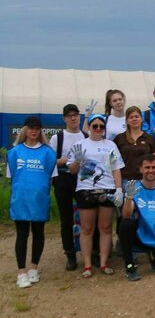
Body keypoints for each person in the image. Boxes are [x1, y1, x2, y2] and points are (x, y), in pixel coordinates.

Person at [67, 114, 125, 277]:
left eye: (101, 126)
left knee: (106, 228)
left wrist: (119, 189)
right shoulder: (80, 144)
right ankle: (87, 265)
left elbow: (116, 168)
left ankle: (103, 263)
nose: (98, 129)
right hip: (85, 190)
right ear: (90, 127)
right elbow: (72, 170)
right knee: (87, 229)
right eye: (95, 126)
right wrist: (77, 161)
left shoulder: (111, 145)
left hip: (107, 188)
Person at [7, 116, 57, 288]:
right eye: (31, 127)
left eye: (37, 128)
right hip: (20, 200)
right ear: (25, 130)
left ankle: (34, 268)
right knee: (22, 234)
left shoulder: (48, 153)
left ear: (41, 130)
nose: (34, 131)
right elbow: (12, 176)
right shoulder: (14, 152)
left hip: (39, 200)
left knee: (38, 233)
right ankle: (21, 272)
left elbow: (51, 177)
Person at [49, 104, 87, 271]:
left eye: (76, 115)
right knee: (66, 219)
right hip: (63, 179)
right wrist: (64, 160)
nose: (73, 118)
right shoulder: (58, 138)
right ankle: (70, 254)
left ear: (79, 117)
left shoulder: (86, 136)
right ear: (64, 118)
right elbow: (49, 161)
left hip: (83, 179)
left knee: (87, 216)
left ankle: (90, 250)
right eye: (69, 115)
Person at [113, 106, 155, 184]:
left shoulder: (149, 138)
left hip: (144, 180)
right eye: (131, 117)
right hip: (124, 180)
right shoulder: (119, 138)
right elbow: (113, 162)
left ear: (141, 119)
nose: (134, 119)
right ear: (127, 121)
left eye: (137, 116)